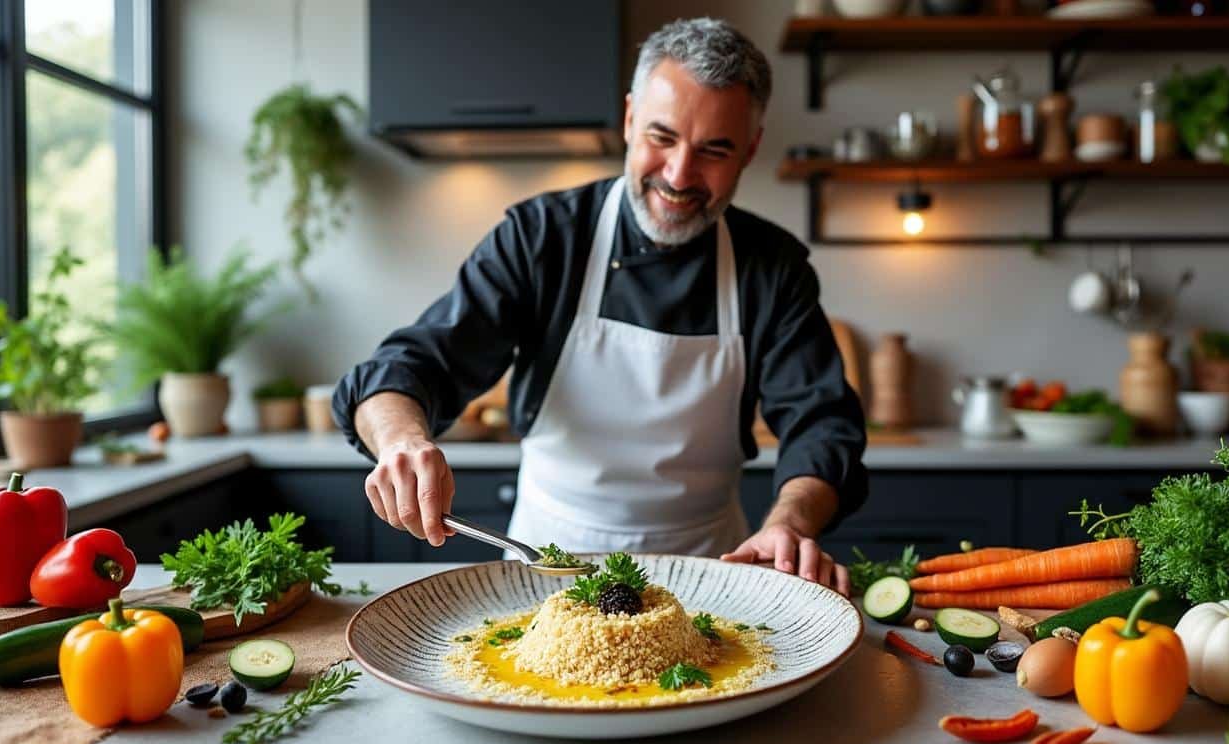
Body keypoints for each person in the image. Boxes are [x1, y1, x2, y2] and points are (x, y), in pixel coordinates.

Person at [333, 18, 866, 594]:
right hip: (547, 568)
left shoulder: (772, 265)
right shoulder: (541, 237)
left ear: (751, 148)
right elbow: (413, 365)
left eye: (714, 149)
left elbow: (823, 425)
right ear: (631, 117)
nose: (680, 175)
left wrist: (789, 523)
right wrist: (401, 440)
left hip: (714, 577)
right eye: (662, 137)